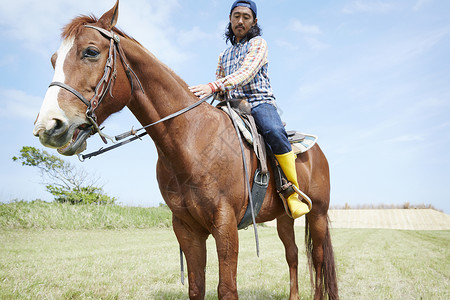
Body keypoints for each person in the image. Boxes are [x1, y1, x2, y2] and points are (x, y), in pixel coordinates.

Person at [189, 0, 310, 219]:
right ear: (230, 19)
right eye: (236, 16)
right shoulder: (222, 55)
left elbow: (246, 72)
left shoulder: (258, 44)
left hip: (259, 102)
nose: (240, 21)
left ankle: (291, 192)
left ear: (254, 21)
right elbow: (221, 85)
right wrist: (208, 95)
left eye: (246, 16)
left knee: (273, 131)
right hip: (232, 107)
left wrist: (213, 86)